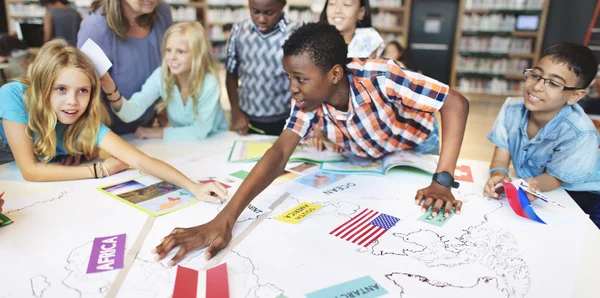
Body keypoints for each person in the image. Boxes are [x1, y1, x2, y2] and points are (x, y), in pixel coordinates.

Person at [152, 22, 469, 265]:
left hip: (414, 148)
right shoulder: (307, 102)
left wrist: (443, 180)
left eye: (300, 79)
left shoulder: (382, 75)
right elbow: (278, 153)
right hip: (365, 155)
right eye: (289, 77)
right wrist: (226, 218)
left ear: (334, 74)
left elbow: (454, 102)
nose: (293, 88)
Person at [0, 39, 227, 204]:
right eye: (61, 89)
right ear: (42, 86)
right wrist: (100, 170)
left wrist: (194, 186)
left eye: (82, 91)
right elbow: (30, 170)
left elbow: (141, 160)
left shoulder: (83, 120)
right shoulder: (14, 95)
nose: (72, 102)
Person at [483, 43, 600, 227]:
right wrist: (498, 175)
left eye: (553, 83)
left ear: (575, 96)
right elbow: (500, 157)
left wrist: (532, 184)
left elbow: (555, 179)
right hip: (543, 189)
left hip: (584, 197)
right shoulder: (511, 108)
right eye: (535, 75)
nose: (537, 86)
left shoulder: (580, 132)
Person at [99, 22, 228, 140]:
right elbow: (132, 111)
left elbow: (200, 131)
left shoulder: (209, 83)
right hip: (185, 145)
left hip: (216, 141)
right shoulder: (161, 75)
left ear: (197, 55)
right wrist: (109, 86)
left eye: (180, 52)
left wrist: (155, 133)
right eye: (168, 50)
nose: (172, 57)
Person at [77, 0, 173, 135]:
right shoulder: (95, 29)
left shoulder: (161, 12)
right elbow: (84, 90)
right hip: (107, 135)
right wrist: (90, 136)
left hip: (146, 129)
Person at [226, 0, 298, 136]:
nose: (261, 19)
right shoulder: (239, 30)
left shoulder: (295, 32)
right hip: (247, 119)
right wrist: (236, 112)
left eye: (269, 13)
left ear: (283, 4)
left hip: (287, 119)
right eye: (255, 12)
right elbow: (231, 74)